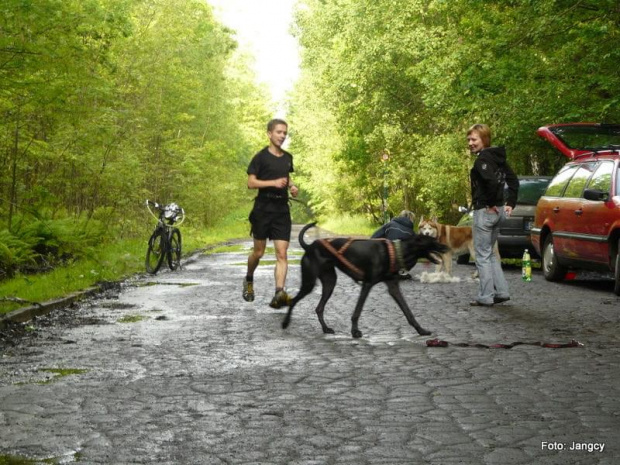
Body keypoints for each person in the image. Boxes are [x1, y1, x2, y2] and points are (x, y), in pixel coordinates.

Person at [243, 119, 299, 308]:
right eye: (279, 132)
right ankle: (249, 279)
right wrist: (273, 183)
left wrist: (291, 186)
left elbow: (286, 176)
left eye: (285, 133)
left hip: (282, 210)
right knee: (258, 253)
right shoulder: (260, 158)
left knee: (282, 254)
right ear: (269, 134)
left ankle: (279, 293)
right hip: (262, 210)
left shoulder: (288, 157)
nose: (282, 136)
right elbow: (251, 183)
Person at [467, 124, 519, 306]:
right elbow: (513, 180)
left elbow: (490, 182)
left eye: (474, 139)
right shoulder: (499, 159)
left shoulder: (482, 160)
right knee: (489, 254)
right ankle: (502, 292)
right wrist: (510, 203)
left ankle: (485, 296)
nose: (470, 143)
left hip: (485, 212)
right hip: (497, 213)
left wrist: (490, 203)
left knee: (481, 255)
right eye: (469, 140)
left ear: (484, 139)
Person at [371, 210, 416, 279]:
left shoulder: (390, 224)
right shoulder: (412, 232)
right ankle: (402, 272)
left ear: (400, 216)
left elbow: (374, 237)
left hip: (388, 258)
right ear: (411, 219)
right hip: (403, 262)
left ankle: (382, 270)